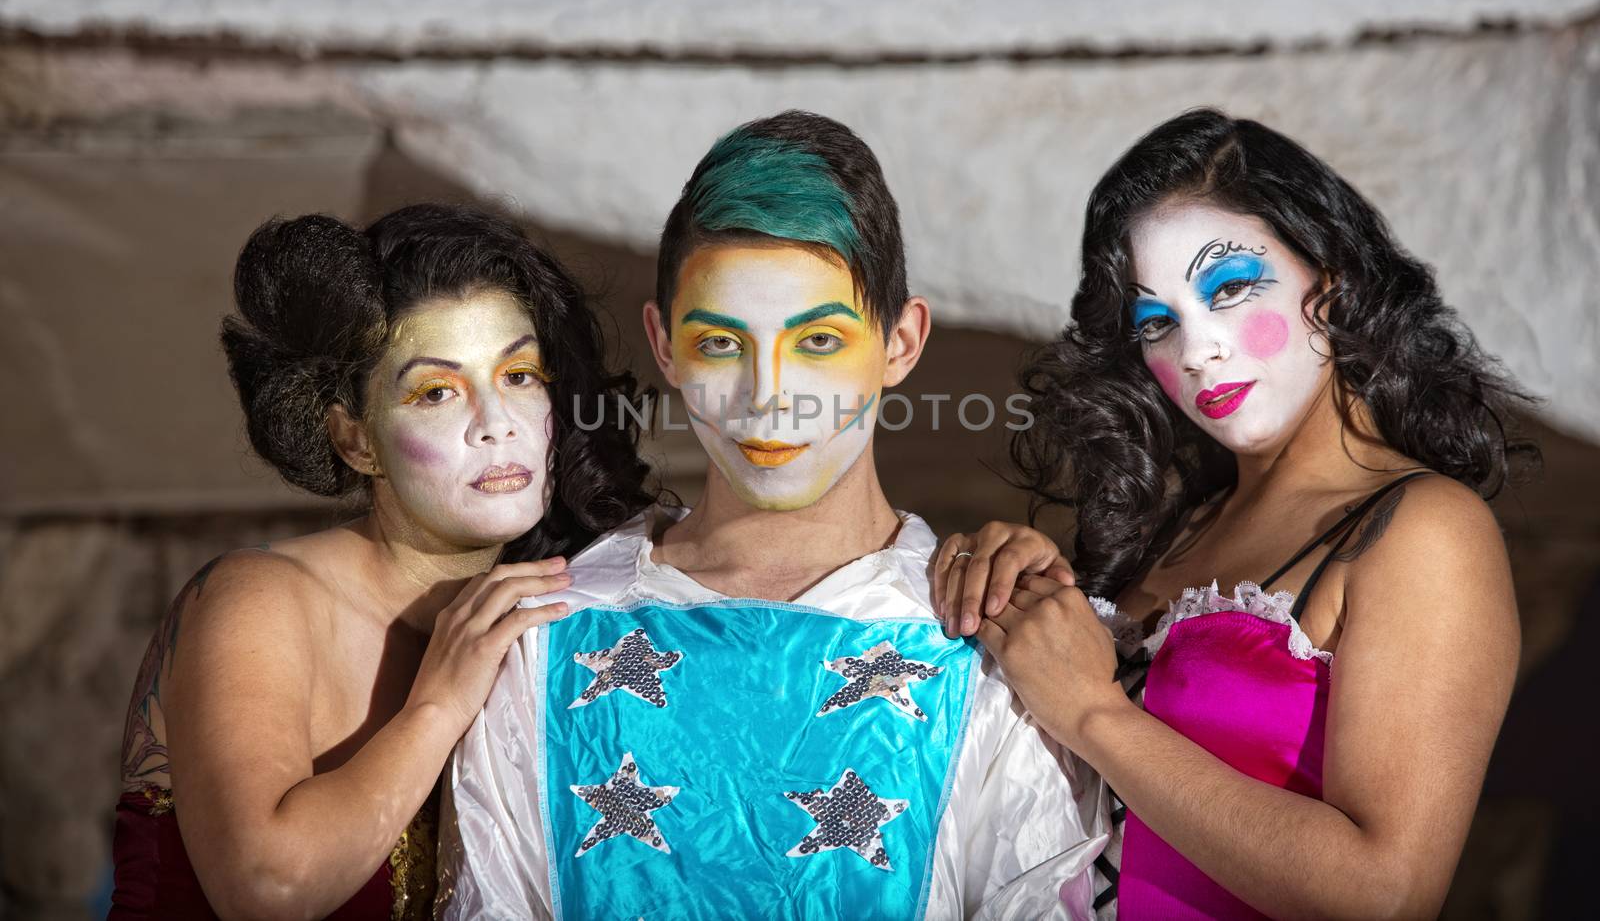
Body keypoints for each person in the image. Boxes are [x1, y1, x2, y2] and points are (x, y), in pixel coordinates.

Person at [437, 111, 1109, 919]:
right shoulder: (544, 637)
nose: (770, 396)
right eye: (722, 345)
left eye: (818, 342)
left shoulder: (995, 652)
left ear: (900, 342)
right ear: (665, 345)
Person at [932, 109, 1534, 918]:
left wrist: (1093, 712)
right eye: (1158, 323)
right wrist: (1020, 587)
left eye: (1228, 288)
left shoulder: (1419, 529)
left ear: (1335, 279)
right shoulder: (1168, 532)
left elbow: (1384, 895)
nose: (1197, 349)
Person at [112, 204, 656, 918]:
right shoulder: (256, 599)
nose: (498, 422)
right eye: (437, 391)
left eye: (520, 375)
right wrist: (440, 703)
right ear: (355, 440)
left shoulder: (555, 622)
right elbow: (268, 888)